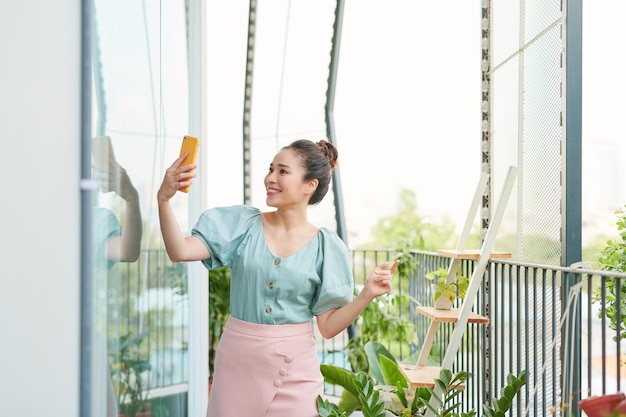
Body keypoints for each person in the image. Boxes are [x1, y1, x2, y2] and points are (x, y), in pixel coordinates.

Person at [157, 139, 398, 417]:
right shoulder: (243, 225)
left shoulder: (326, 246)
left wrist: (367, 294)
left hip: (296, 372)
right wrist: (164, 199)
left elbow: (328, 328)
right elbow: (180, 250)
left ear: (310, 185)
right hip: (237, 365)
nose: (270, 178)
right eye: (270, 169)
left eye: (283, 171)